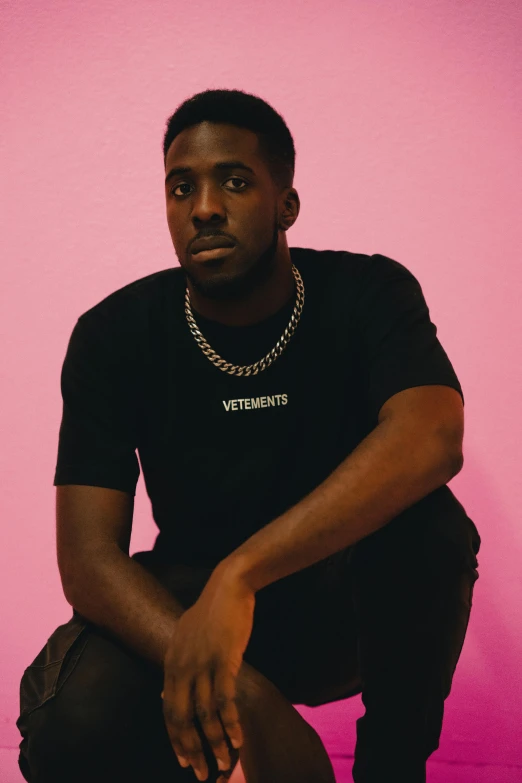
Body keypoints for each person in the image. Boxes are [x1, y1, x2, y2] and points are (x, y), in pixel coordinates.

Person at [16, 88, 481, 783]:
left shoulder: (368, 292)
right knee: (66, 723)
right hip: (190, 603)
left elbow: (433, 434)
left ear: (285, 203)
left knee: (432, 533)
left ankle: (392, 767)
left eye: (234, 181)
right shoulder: (115, 334)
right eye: (182, 187)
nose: (204, 206)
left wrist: (244, 572)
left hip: (341, 607)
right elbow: (86, 555)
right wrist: (241, 687)